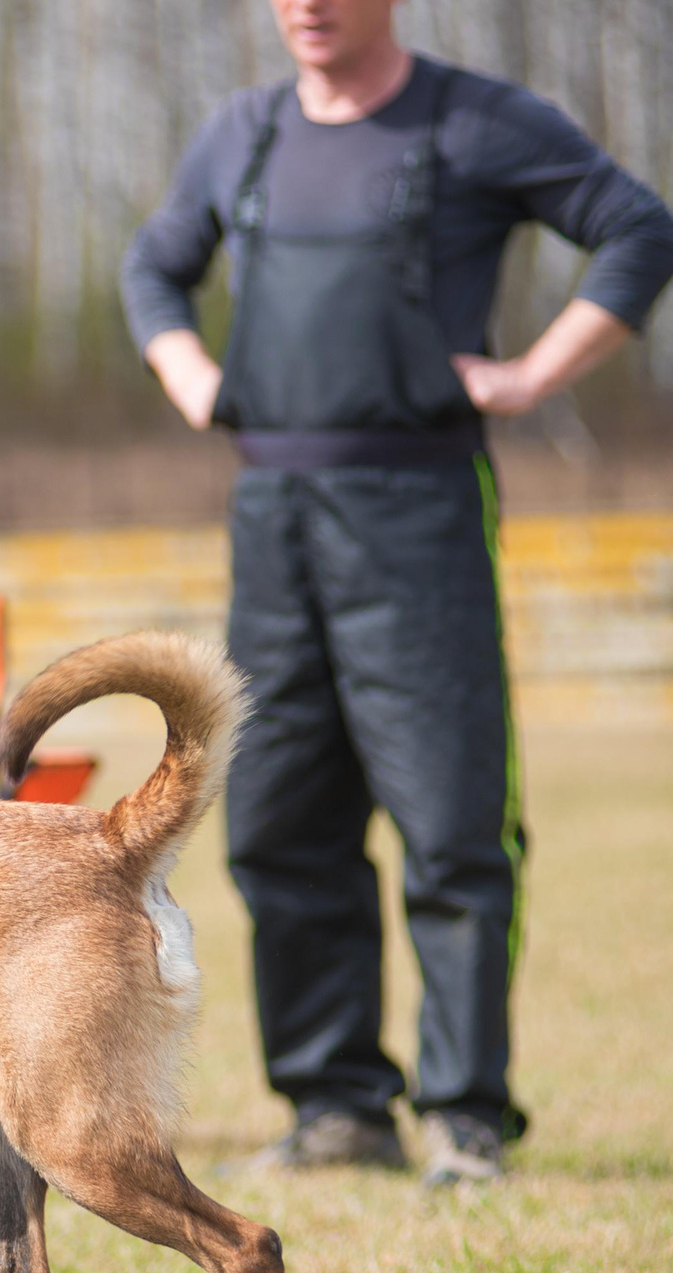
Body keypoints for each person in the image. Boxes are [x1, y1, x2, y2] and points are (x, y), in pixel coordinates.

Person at [122, 0, 673, 1185]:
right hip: (270, 514)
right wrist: (192, 376)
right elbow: (155, 265)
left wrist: (532, 371)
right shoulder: (241, 132)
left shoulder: (477, 120)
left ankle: (465, 1118)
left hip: (418, 507)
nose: (306, 5)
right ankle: (335, 1109)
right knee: (278, 821)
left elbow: (636, 227)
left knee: (452, 822)